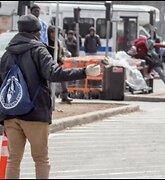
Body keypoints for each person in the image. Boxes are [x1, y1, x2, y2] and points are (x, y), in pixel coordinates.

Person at [0, 14, 100, 179]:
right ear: (37, 32)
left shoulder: (7, 54)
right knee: (41, 159)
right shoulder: (38, 50)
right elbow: (54, 73)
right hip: (34, 112)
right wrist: (84, 71)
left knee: (13, 160)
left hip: (11, 113)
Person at [47, 25, 73, 104]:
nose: (57, 34)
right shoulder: (46, 42)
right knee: (48, 82)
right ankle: (48, 97)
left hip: (58, 64)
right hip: (48, 65)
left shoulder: (58, 42)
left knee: (63, 77)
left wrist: (63, 58)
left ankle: (64, 96)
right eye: (55, 32)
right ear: (51, 33)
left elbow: (61, 53)